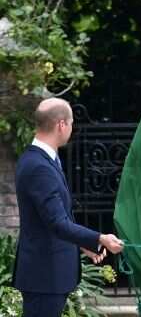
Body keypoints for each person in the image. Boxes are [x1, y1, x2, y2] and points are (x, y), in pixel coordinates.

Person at [13, 98, 124, 317]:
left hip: (47, 276)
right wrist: (100, 238)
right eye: (72, 123)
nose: (72, 129)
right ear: (61, 124)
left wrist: (83, 243)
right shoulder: (39, 166)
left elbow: (50, 219)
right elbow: (57, 222)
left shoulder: (43, 159)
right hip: (44, 276)